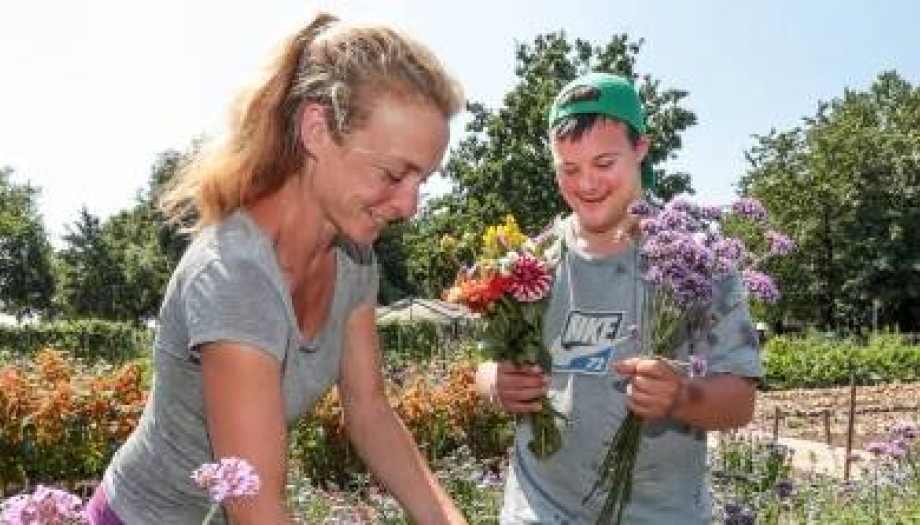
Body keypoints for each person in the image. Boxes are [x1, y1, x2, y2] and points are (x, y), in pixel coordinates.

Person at [85, 12, 467, 525]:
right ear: (316, 130)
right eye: (394, 174)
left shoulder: (355, 261)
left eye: (423, 180)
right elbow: (256, 506)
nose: (410, 205)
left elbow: (371, 413)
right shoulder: (234, 276)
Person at [475, 72, 763, 524]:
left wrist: (680, 396)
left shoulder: (698, 262)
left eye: (604, 162)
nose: (586, 183)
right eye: (568, 169)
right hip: (537, 511)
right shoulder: (529, 263)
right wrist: (496, 383)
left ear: (641, 149)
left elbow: (740, 401)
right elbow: (487, 361)